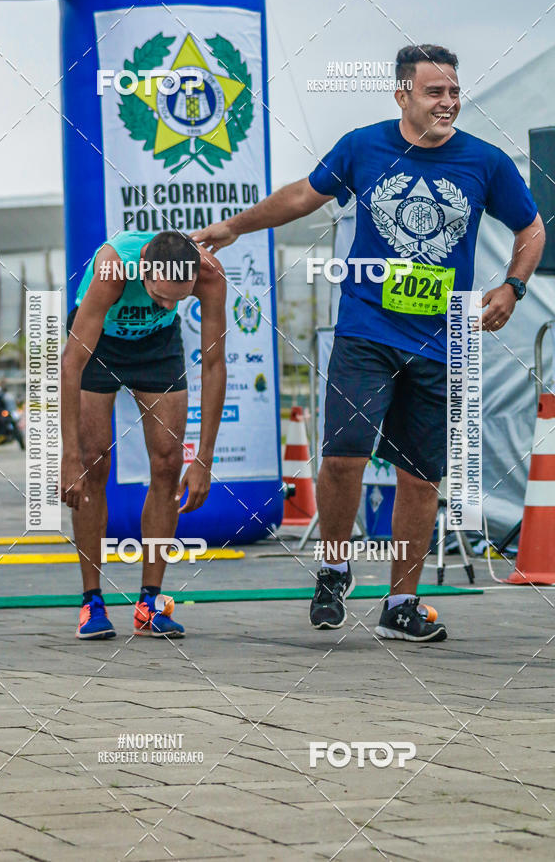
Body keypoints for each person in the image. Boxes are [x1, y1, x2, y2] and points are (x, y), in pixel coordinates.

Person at [192, 43, 545, 643]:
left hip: (441, 341)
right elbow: (303, 195)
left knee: (419, 475)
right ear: (402, 93)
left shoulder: (484, 162)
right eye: (435, 92)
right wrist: (233, 226)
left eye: (454, 92)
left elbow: (531, 227)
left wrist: (513, 286)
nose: (448, 103)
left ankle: (401, 603)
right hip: (366, 330)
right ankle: (333, 566)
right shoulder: (363, 146)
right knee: (344, 454)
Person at [61, 229, 227, 640]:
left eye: (178, 299)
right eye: (160, 296)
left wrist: (203, 458)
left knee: (169, 463)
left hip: (157, 346)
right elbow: (70, 366)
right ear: (144, 271)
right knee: (94, 463)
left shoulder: (208, 274)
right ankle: (91, 602)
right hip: (100, 347)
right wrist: (68, 457)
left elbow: (213, 364)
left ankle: (150, 603)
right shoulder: (113, 269)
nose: (168, 304)